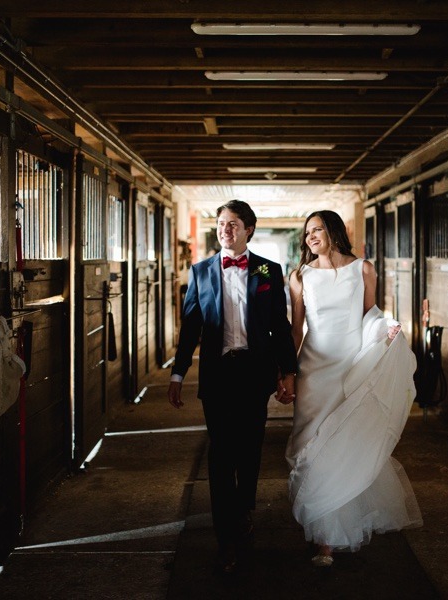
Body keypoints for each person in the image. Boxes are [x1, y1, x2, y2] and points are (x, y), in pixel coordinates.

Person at [278, 210, 423, 567]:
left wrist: (385, 329)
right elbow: (295, 330)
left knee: (344, 441)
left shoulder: (364, 269)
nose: (311, 237)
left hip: (351, 366)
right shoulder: (300, 277)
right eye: (307, 232)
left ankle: (328, 539)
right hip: (314, 371)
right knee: (310, 443)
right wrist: (286, 372)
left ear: (334, 232)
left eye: (318, 229)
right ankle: (321, 524)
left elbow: (369, 315)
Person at [168, 199, 298, 575]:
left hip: (255, 375)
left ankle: (245, 509)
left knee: (250, 448)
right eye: (222, 223)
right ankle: (225, 537)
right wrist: (177, 374)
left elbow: (279, 327)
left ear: (249, 230)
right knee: (221, 453)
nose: (226, 229)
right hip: (218, 375)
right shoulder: (201, 271)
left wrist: (288, 372)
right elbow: (190, 328)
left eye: (234, 223)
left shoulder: (268, 271)